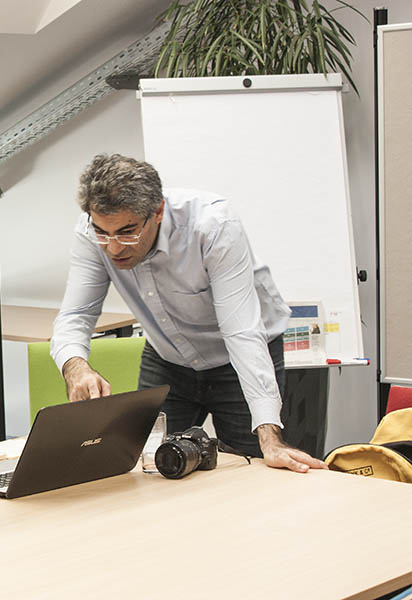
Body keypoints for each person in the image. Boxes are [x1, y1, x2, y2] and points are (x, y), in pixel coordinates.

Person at [51, 154, 327, 473]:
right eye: (103, 233)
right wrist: (76, 369)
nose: (113, 248)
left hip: (238, 360)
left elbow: (241, 332)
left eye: (127, 232)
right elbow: (76, 315)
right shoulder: (92, 233)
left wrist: (270, 436)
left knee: (253, 467)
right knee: (148, 463)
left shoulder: (212, 226)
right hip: (169, 356)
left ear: (158, 212)